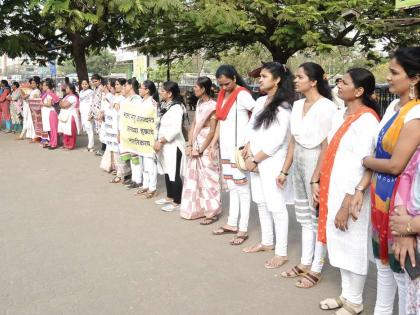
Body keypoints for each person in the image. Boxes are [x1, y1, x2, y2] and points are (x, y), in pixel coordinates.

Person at [316, 68, 380, 314]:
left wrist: (346, 203)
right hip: (333, 188)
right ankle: (346, 295)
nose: (339, 84)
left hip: (352, 196)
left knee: (353, 244)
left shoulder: (367, 120)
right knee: (339, 241)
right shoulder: (341, 115)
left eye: (344, 82)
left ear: (360, 91)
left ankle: (355, 302)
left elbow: (361, 163)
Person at [362, 47, 420, 315]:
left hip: (399, 200)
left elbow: (397, 165)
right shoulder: (394, 107)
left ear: (415, 78)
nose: (389, 77)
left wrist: (366, 161)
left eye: (395, 72)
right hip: (380, 195)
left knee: (401, 271)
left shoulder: (415, 114)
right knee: (382, 266)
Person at [277, 62, 336, 288]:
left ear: (314, 81)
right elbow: (293, 139)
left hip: (316, 163)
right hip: (299, 161)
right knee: (304, 216)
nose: (296, 80)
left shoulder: (327, 107)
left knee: (317, 216)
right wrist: (285, 169)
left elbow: (326, 146)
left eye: (300, 77)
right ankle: (304, 261)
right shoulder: (298, 104)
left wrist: (316, 178)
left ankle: (316, 267)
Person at [241, 62, 294, 268]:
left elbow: (277, 140)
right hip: (254, 158)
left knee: (276, 206)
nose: (260, 80)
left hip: (271, 161)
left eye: (264, 76)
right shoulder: (261, 101)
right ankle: (267, 241)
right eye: (259, 76)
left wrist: (255, 159)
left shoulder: (283, 107)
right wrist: (247, 146)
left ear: (277, 79)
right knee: (261, 202)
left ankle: (281, 252)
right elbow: (251, 128)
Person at [212, 65, 256, 245]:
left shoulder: (243, 94)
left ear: (235, 79)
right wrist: (216, 139)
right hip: (226, 147)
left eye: (226, 83)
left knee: (242, 189)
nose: (223, 88)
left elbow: (257, 114)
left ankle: (243, 228)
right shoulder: (222, 95)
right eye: (220, 84)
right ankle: (231, 222)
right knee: (232, 186)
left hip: (239, 149)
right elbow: (221, 120)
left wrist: (249, 141)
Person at [180, 76, 221, 223]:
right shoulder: (199, 103)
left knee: (209, 180)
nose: (194, 90)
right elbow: (194, 125)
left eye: (196, 88)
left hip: (207, 146)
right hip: (196, 144)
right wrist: (190, 145)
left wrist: (202, 149)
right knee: (195, 180)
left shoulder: (213, 106)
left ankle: (212, 212)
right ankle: (199, 209)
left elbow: (212, 131)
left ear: (203, 89)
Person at [390, 147, 420, 315]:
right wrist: (402, 215)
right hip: (413, 238)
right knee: (413, 302)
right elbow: (407, 175)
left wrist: (409, 226)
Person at [154, 81, 187, 212]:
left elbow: (175, 130)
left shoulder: (177, 108)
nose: (160, 93)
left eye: (163, 91)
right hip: (165, 146)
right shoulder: (166, 106)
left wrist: (161, 141)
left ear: (170, 93)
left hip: (173, 145)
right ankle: (169, 196)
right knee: (167, 171)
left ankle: (177, 201)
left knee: (174, 172)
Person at [136, 80, 159, 199]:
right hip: (140, 136)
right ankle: (145, 185)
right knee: (143, 163)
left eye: (141, 88)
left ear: (147, 90)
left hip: (149, 136)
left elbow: (154, 121)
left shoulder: (152, 103)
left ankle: (153, 188)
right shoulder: (141, 101)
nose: (139, 89)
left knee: (150, 163)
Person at [58, 83, 80, 150]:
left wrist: (61, 104)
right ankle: (65, 144)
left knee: (70, 131)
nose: (66, 89)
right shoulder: (66, 96)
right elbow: (60, 104)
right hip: (65, 115)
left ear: (71, 89)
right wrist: (61, 104)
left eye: (67, 88)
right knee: (65, 131)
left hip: (71, 116)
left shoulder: (72, 97)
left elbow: (64, 105)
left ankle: (70, 145)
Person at [41, 78, 60, 149]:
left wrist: (42, 103)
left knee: (52, 129)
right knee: (49, 128)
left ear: (47, 86)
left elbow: (49, 104)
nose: (43, 87)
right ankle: (51, 142)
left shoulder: (49, 94)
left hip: (50, 112)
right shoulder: (48, 94)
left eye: (44, 85)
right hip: (48, 112)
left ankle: (54, 143)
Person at [78, 79, 95, 152]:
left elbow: (92, 102)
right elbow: (80, 102)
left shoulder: (91, 92)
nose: (84, 85)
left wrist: (90, 112)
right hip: (82, 112)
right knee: (87, 128)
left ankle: (90, 146)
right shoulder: (81, 92)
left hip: (88, 112)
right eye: (83, 84)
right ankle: (90, 144)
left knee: (89, 129)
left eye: (86, 84)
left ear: (88, 84)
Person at [91, 74, 104, 155]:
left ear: (100, 80)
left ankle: (103, 149)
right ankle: (102, 148)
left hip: (100, 114)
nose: (94, 83)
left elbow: (102, 101)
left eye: (96, 81)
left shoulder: (102, 89)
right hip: (95, 113)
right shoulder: (95, 89)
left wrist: (101, 113)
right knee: (99, 131)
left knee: (102, 131)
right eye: (93, 82)